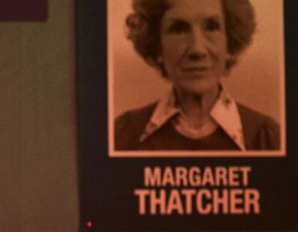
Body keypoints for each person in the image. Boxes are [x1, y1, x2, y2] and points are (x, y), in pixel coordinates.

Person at [114, 0, 280, 151]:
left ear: (229, 42)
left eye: (211, 27)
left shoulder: (264, 137)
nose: (197, 50)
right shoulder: (126, 134)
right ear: (157, 46)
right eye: (179, 29)